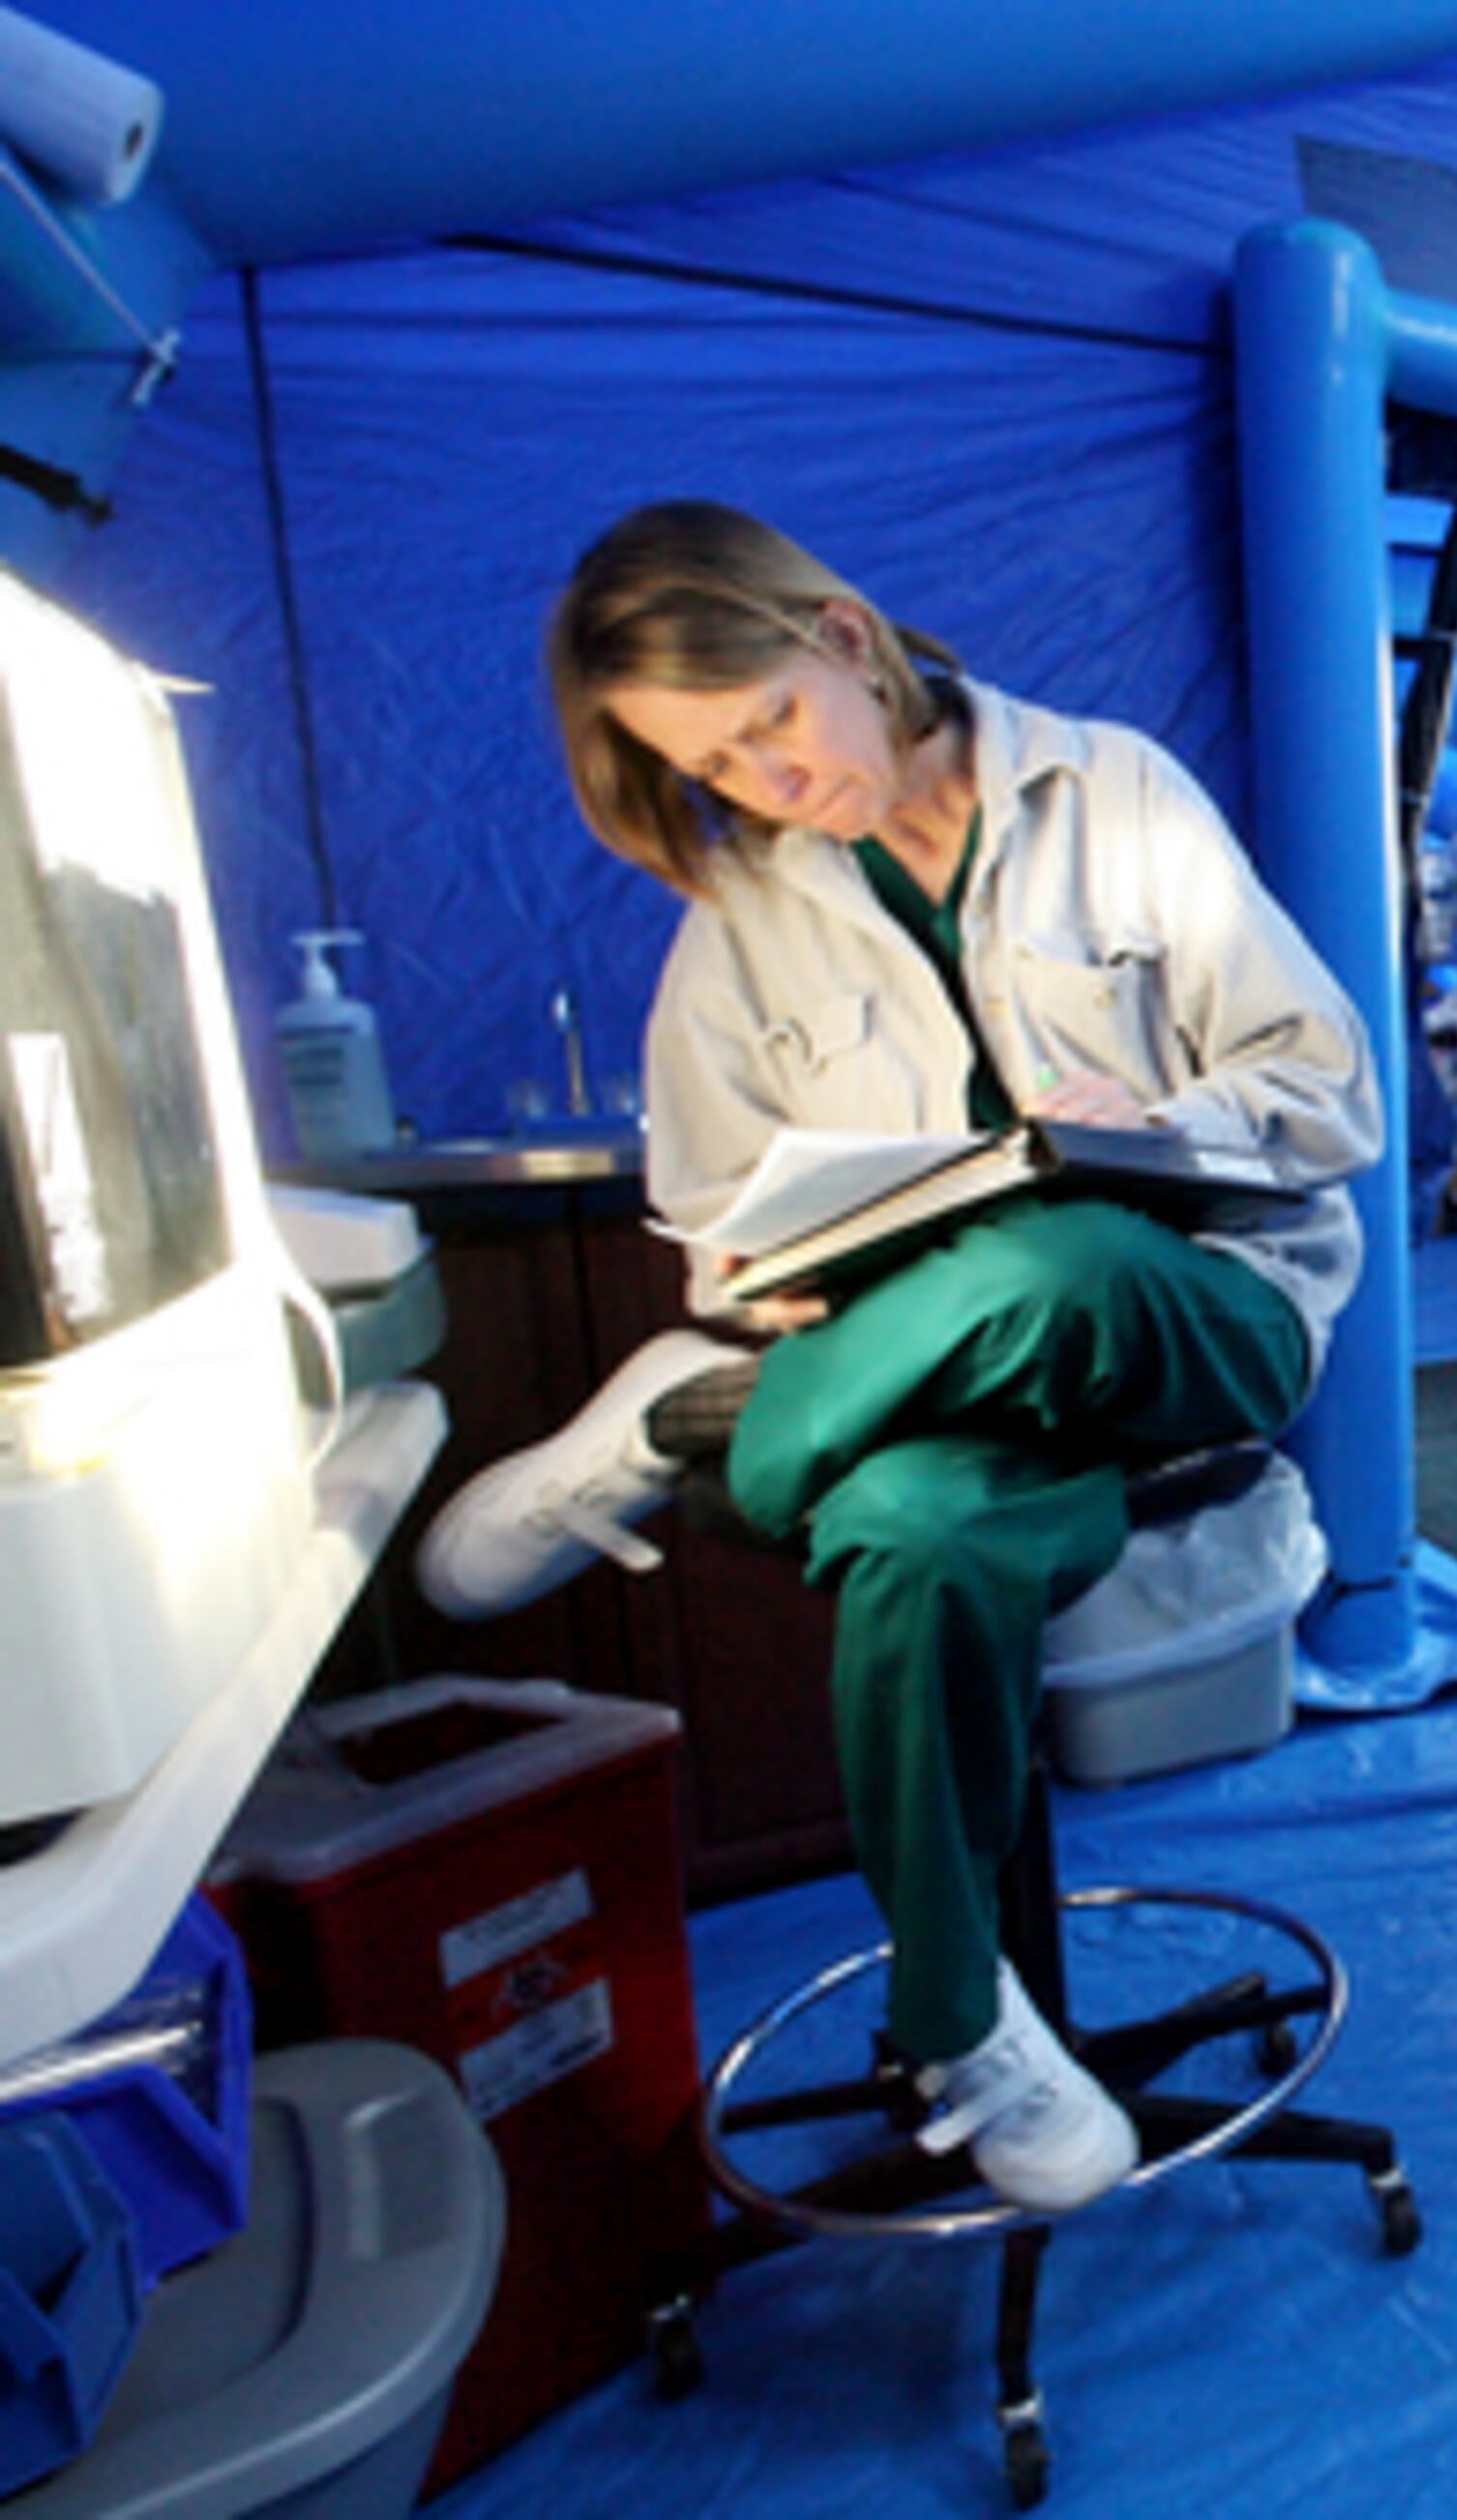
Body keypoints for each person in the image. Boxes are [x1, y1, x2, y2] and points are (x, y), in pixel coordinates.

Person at [416, 500, 1381, 2214]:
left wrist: (1155, 1117)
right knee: (917, 1530)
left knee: (1062, 1252)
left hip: (1189, 1314)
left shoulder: (1118, 798)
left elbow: (1334, 1095)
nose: (769, 785)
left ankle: (711, 1433)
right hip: (936, 1393)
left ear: (845, 638)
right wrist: (770, 1288)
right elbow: (716, 1218)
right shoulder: (741, 918)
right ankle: (966, 2024)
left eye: (773, 721)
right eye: (717, 766)